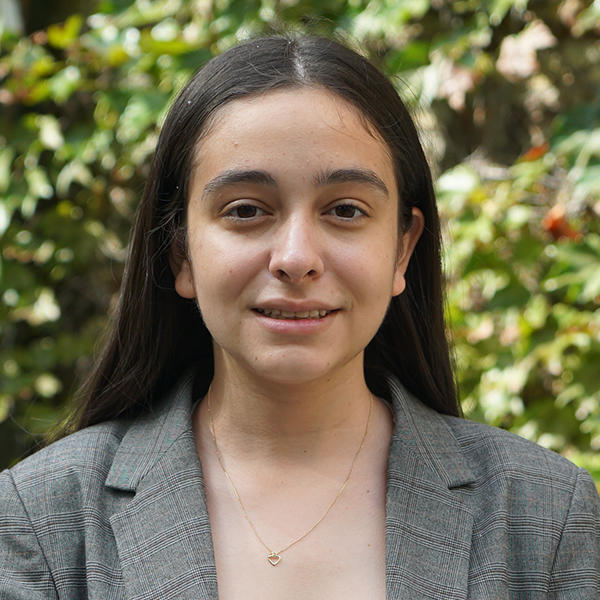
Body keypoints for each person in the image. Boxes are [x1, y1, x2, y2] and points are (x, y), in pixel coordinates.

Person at [0, 34, 598, 600]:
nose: (295, 258)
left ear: (403, 250)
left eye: (344, 209)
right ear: (181, 251)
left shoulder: (541, 516)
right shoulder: (42, 522)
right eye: (245, 210)